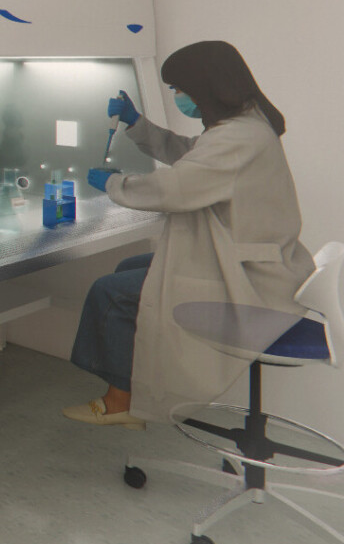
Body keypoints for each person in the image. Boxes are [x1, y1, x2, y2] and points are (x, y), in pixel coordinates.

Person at [64, 41, 313, 428]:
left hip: (249, 279)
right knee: (129, 266)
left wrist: (114, 183)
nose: (178, 96)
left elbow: (175, 189)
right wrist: (136, 123)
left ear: (206, 85)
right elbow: (191, 155)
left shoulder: (239, 137)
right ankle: (132, 382)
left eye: (179, 88)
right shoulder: (243, 125)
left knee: (108, 292)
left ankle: (120, 402)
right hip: (246, 259)